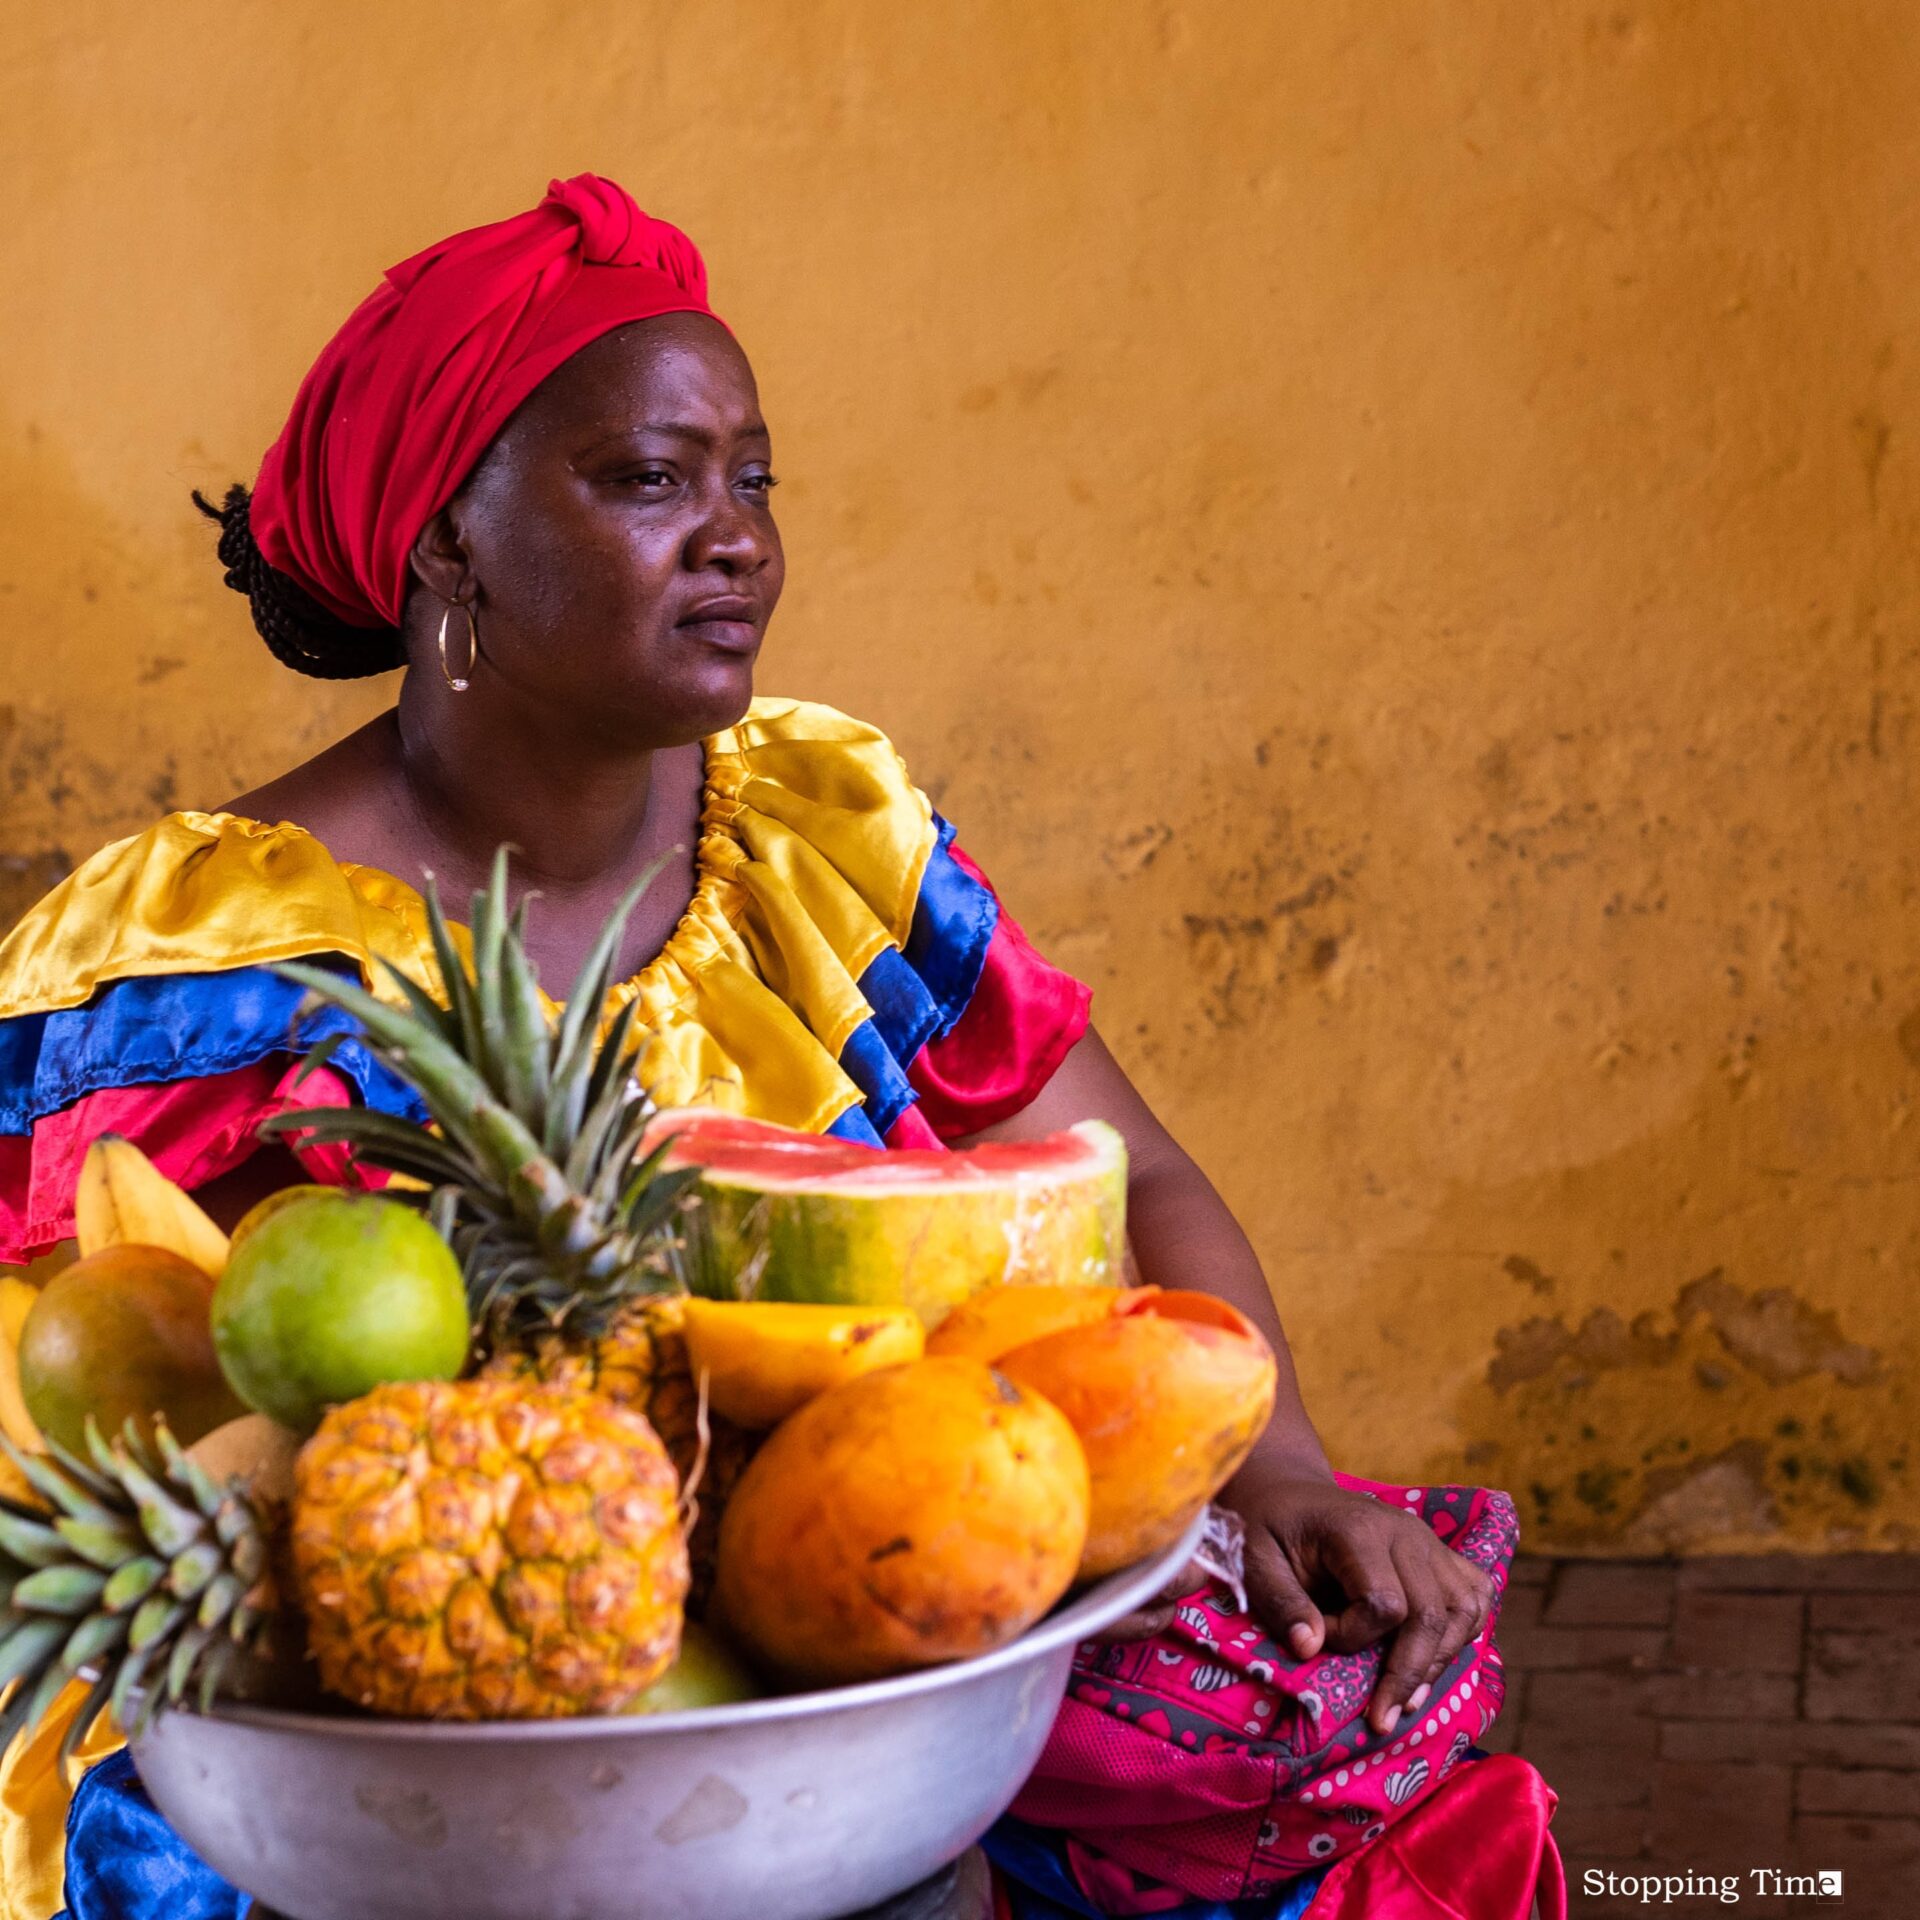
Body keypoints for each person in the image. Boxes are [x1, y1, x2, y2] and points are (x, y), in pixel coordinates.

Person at [0, 179, 1557, 1920]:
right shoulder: (203, 973)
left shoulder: (821, 836)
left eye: (752, 477)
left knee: (1344, 1747)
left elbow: (1142, 1181)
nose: (735, 533)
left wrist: (1279, 1466)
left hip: (877, 1590)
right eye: (649, 480)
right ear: (449, 542)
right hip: (400, 1698)